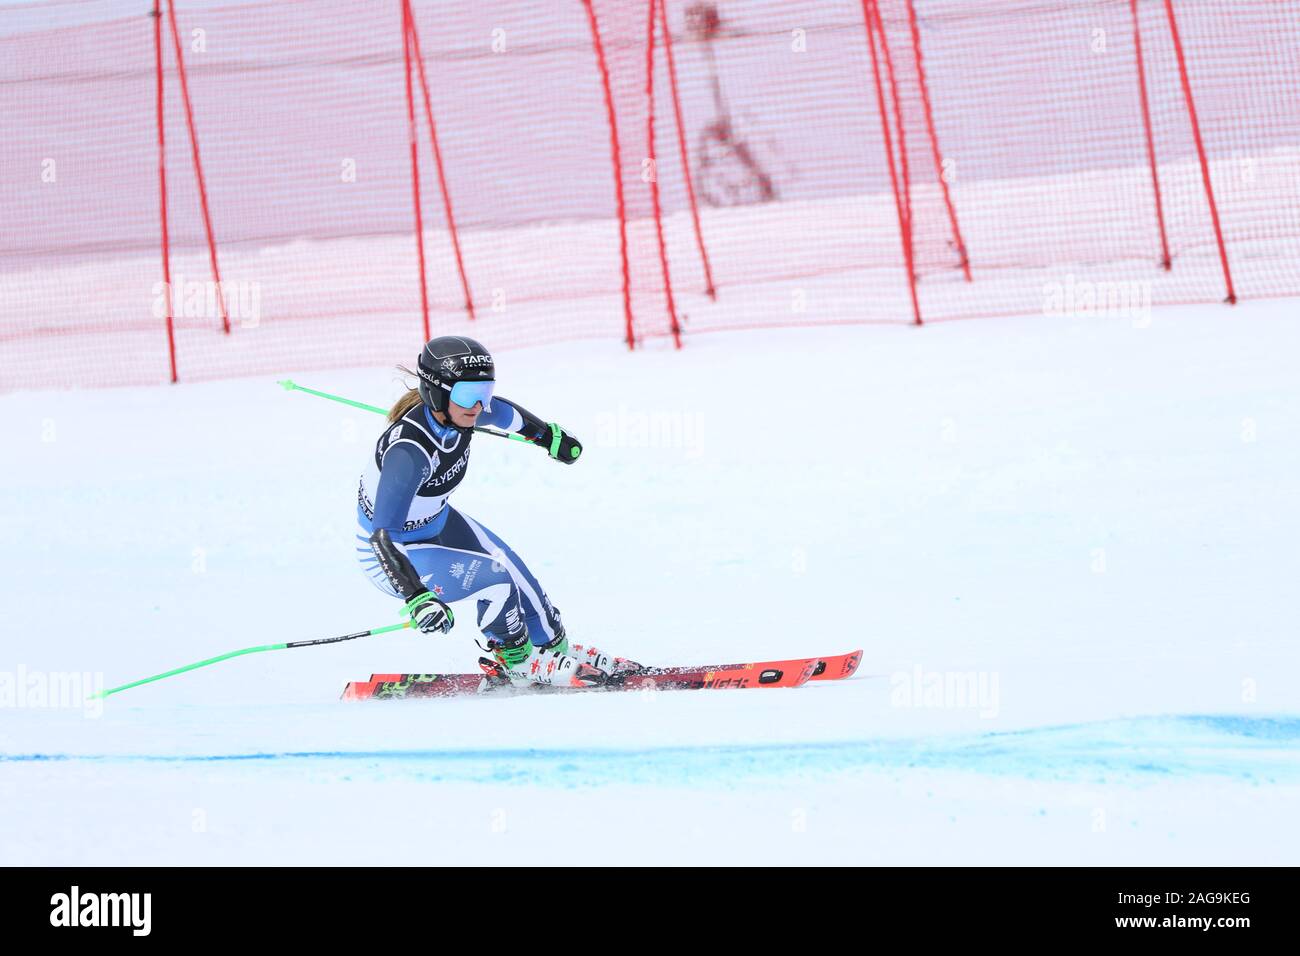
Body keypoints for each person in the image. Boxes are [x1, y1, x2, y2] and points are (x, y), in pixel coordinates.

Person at [356, 335, 639, 687]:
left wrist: (548, 437)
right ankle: (518, 662)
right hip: (394, 554)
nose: (478, 406)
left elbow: (507, 414)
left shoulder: (461, 412)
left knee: (520, 576)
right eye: (467, 395)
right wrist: (417, 597)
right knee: (496, 581)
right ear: (437, 392)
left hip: (436, 521)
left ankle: (551, 647)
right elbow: (383, 536)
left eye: (484, 391)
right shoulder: (409, 453)